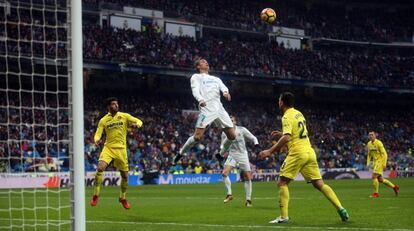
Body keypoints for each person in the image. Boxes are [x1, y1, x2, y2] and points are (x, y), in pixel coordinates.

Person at [260, 92, 349, 223]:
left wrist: (270, 151)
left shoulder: (286, 116)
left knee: (282, 183)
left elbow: (288, 137)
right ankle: (341, 208)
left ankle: (283, 217)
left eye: (279, 100)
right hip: (309, 152)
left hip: (297, 153)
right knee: (319, 184)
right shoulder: (298, 113)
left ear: (282, 102)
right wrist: (281, 134)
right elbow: (296, 133)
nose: (278, 103)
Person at [174, 58, 236, 164]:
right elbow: (195, 90)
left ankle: (220, 154)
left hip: (219, 109)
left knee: (232, 136)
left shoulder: (216, 79)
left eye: (207, 61)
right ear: (198, 66)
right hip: (206, 109)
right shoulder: (196, 77)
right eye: (203, 61)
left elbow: (223, 87)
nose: (206, 62)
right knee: (197, 137)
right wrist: (200, 99)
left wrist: (226, 93)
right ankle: (181, 153)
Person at [90, 97, 143, 209]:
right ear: (109, 106)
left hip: (121, 150)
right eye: (114, 104)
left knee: (125, 176)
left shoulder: (124, 116)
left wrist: (136, 125)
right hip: (108, 148)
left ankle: (122, 198)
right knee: (100, 168)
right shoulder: (103, 120)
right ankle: (96, 195)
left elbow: (139, 121)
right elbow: (98, 133)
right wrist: (96, 140)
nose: (116, 106)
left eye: (117, 104)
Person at [221, 116, 258, 207]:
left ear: (235, 122)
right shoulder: (224, 133)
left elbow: (253, 138)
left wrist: (256, 144)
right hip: (232, 154)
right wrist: (222, 152)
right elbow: (223, 145)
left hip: (242, 155)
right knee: (224, 173)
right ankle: (229, 194)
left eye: (232, 120)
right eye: (229, 120)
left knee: (247, 177)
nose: (230, 122)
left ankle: (248, 200)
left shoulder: (242, 130)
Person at [366, 131, 399, 198]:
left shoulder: (379, 143)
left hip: (380, 161)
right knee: (380, 180)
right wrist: (368, 163)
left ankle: (376, 193)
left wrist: (384, 164)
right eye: (369, 135)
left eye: (372, 135)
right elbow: (369, 154)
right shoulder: (369, 144)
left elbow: (385, 154)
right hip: (375, 162)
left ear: (375, 135)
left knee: (374, 176)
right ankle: (394, 187)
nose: (370, 136)